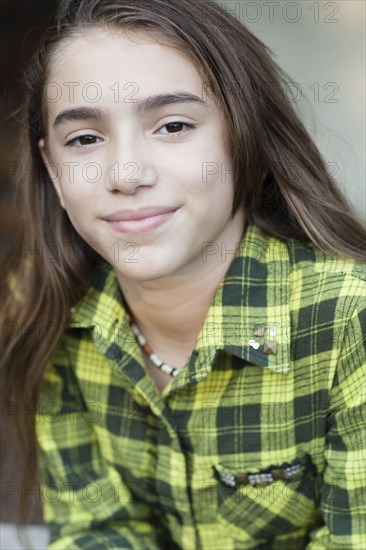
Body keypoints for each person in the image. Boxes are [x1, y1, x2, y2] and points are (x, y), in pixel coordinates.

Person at [1, 0, 365, 548]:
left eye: (172, 125)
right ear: (52, 168)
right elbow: (98, 529)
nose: (125, 174)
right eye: (84, 139)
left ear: (245, 140)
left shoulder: (347, 320)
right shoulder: (47, 306)